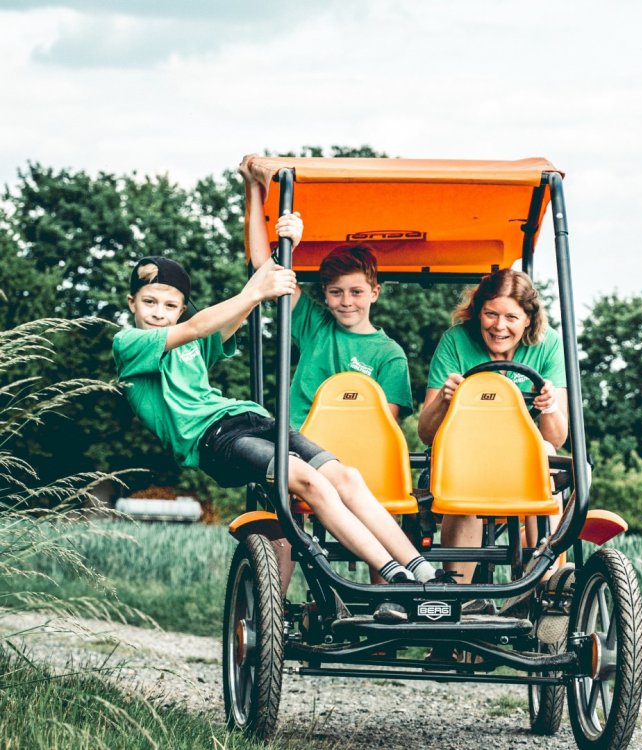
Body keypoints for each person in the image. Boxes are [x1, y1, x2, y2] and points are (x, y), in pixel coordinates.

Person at [113, 255, 443, 622]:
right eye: (150, 302)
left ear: (180, 307)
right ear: (132, 303)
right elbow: (197, 326)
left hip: (250, 416)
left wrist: (277, 256)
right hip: (213, 439)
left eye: (170, 305)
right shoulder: (131, 344)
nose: (159, 312)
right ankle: (396, 577)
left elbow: (229, 319)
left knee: (346, 476)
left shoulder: (193, 345)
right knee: (307, 480)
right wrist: (255, 291)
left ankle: (425, 574)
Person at [417, 269, 568, 612]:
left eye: (511, 317)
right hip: (464, 461)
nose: (500, 327)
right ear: (478, 311)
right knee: (463, 470)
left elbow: (557, 436)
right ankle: (455, 601)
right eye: (491, 314)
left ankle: (546, 588)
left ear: (529, 319)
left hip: (520, 467)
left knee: (545, 454)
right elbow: (426, 433)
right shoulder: (456, 341)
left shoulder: (548, 345)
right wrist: (443, 398)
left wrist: (550, 407)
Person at [240, 155, 412, 430]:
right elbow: (264, 267)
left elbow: (384, 430)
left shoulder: (390, 355)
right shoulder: (316, 326)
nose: (346, 302)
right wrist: (252, 189)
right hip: (298, 446)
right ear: (325, 292)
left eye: (356, 292)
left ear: (374, 292)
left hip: (350, 455)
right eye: (336, 292)